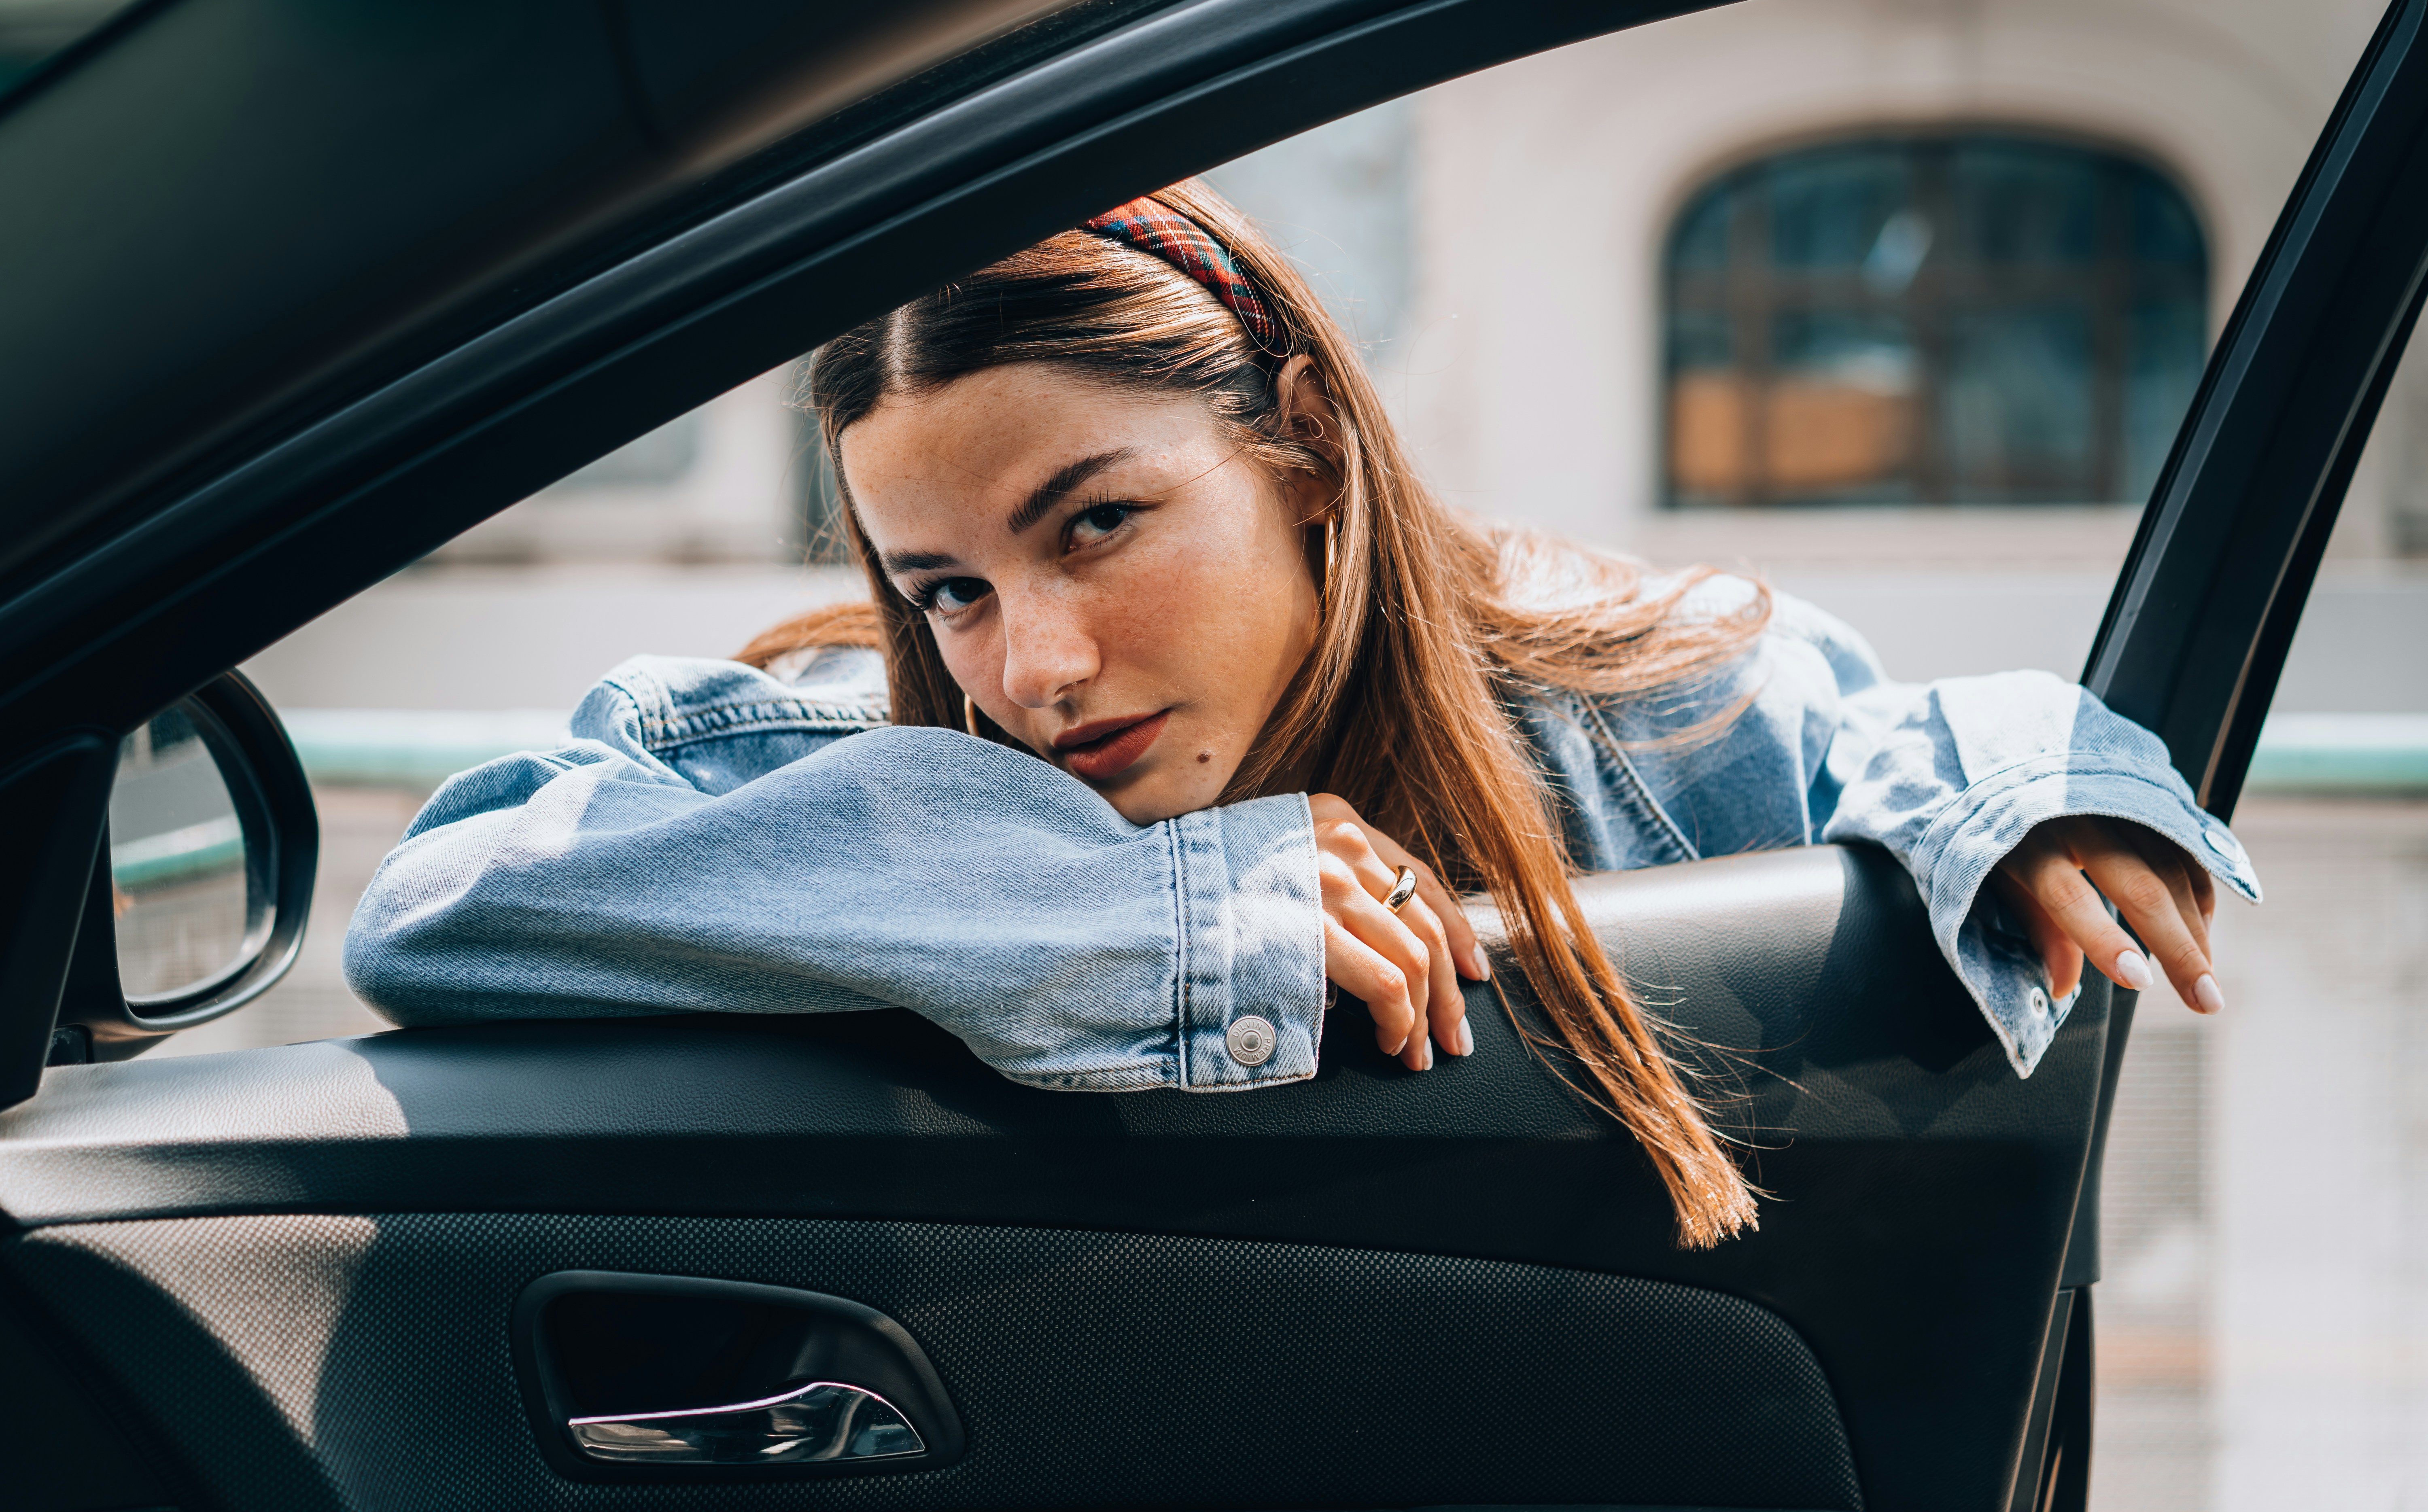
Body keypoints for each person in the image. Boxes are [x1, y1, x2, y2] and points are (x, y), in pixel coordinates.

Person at [344, 180, 2258, 1248]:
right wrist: (1141, 911)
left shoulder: (1644, 718)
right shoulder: (863, 749)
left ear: (1312, 456)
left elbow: (1916, 733)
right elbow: (457, 891)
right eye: (951, 588)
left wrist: (2038, 805)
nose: (1036, 669)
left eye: (1097, 524)